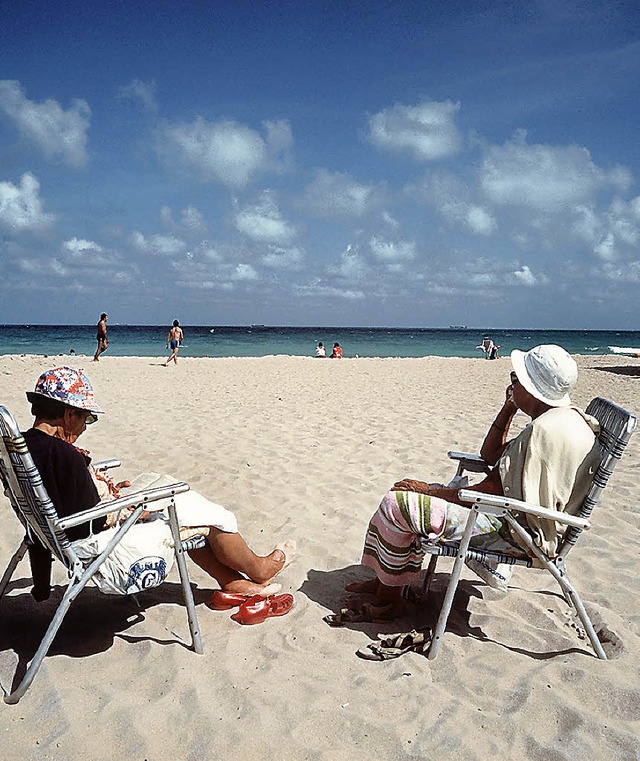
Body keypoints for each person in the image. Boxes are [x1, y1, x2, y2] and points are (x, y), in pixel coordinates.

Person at [341, 344, 601, 620]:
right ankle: (386, 582)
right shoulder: (561, 420)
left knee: (399, 504)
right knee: (413, 501)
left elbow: (490, 492)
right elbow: (489, 455)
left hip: (514, 532)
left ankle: (390, 600)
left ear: (532, 388)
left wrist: (432, 491)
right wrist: (509, 407)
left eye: (516, 379)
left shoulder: (543, 432)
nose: (512, 384)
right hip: (517, 518)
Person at [22, 366, 295, 603]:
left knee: (162, 482)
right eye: (86, 417)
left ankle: (233, 582)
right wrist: (130, 510)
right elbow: (89, 522)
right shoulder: (65, 456)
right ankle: (259, 569)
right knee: (194, 508)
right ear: (69, 414)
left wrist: (42, 586)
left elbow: (56, 508)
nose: (84, 427)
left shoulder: (23, 449)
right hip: (104, 551)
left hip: (61, 538)